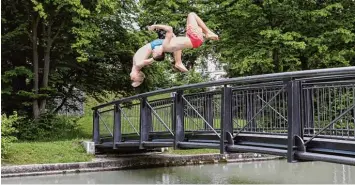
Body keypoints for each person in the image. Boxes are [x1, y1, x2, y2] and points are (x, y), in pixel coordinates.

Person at [147, 12, 219, 71]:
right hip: (194, 39)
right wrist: (155, 26)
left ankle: (178, 63)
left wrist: (178, 61)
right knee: (191, 15)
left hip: (192, 39)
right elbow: (169, 28)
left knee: (197, 24)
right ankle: (208, 33)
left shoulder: (170, 47)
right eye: (154, 52)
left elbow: (178, 46)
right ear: (159, 53)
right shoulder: (165, 46)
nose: (153, 50)